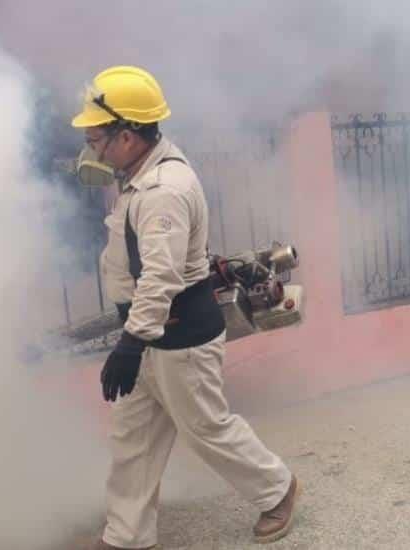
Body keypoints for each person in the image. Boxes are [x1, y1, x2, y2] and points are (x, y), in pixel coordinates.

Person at [71, 66, 300, 549]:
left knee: (206, 430)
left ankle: (278, 490)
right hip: (148, 329)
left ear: (129, 135)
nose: (92, 145)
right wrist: (135, 338)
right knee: (133, 439)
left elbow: (160, 276)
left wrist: (130, 345)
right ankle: (127, 536)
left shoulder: (162, 192)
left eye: (99, 136)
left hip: (179, 335)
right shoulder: (141, 172)